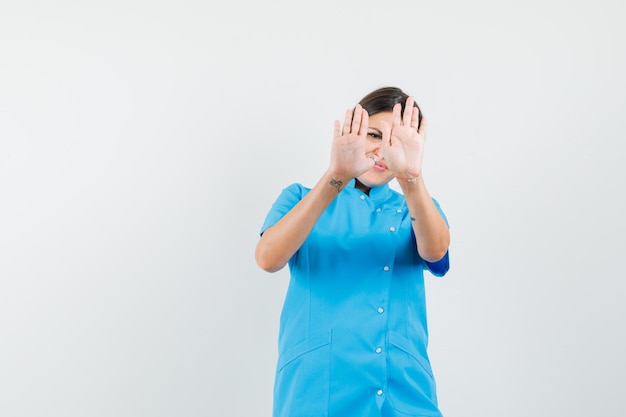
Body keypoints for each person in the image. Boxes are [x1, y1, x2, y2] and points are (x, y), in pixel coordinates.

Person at [255, 86, 451, 417]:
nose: (382, 150)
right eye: (374, 135)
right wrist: (336, 175)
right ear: (353, 132)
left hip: (401, 390)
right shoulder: (299, 197)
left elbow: (436, 253)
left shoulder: (414, 209)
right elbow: (268, 258)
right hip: (318, 389)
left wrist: (411, 178)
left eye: (396, 141)